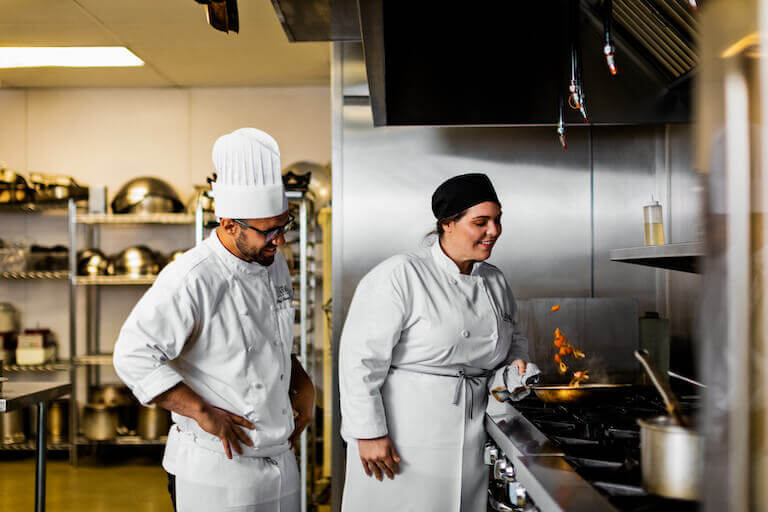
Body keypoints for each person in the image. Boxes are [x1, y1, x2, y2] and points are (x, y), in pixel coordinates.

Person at [113, 128, 315, 512]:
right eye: (268, 231)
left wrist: (300, 378)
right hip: (218, 467)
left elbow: (267, 335)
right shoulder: (191, 277)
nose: (280, 240)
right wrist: (200, 410)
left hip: (281, 459)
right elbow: (132, 354)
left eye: (283, 225)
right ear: (228, 225)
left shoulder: (272, 263)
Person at [339, 172, 530, 512]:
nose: (494, 231)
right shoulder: (402, 274)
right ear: (447, 224)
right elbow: (359, 360)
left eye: (497, 220)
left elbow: (513, 341)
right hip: (404, 437)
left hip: (472, 434)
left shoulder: (495, 280)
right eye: (481, 222)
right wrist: (367, 433)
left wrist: (515, 368)